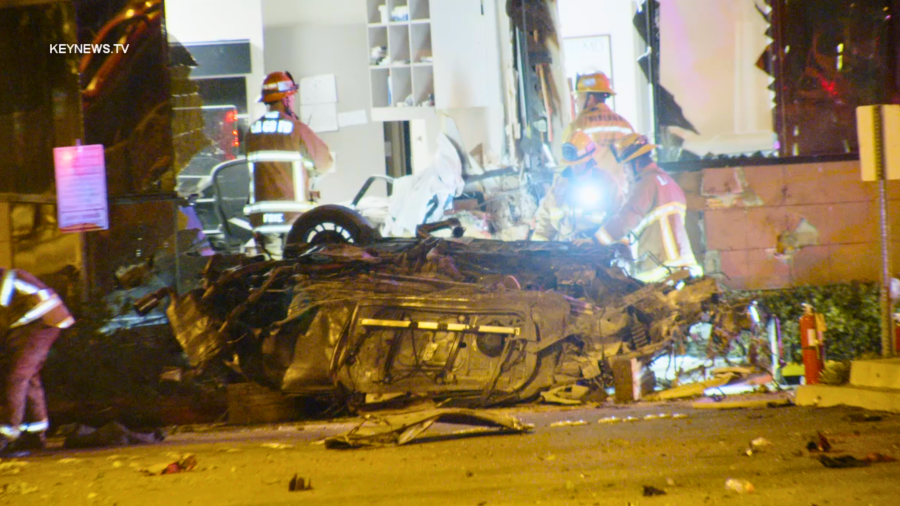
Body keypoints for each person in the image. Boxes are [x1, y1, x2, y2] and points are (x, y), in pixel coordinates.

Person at [582, 133, 702, 283]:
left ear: (636, 163)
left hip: (661, 267)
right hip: (683, 264)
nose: (625, 173)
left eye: (626, 166)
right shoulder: (668, 182)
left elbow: (627, 217)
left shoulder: (646, 183)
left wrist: (596, 240)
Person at [0, 268, 74, 455]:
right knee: (28, 376)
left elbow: (4, 308)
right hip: (39, 323)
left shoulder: (8, 280)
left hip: (39, 323)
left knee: (17, 377)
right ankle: (34, 431)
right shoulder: (11, 278)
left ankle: (6, 432)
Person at [245, 71, 334, 204]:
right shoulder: (296, 128)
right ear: (285, 99)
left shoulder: (251, 132)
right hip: (293, 214)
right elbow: (324, 163)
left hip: (259, 215)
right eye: (291, 97)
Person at [563, 72, 635, 207]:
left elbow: (568, 161)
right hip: (622, 196)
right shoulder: (624, 124)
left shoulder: (579, 125)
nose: (577, 102)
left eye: (579, 97)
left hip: (593, 195)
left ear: (590, 98)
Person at [532, 131, 618, 242]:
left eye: (579, 164)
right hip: (566, 251)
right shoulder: (560, 185)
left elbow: (618, 221)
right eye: (571, 164)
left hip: (595, 250)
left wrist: (595, 241)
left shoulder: (605, 183)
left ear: (589, 159)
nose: (574, 168)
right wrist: (538, 249)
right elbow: (545, 220)